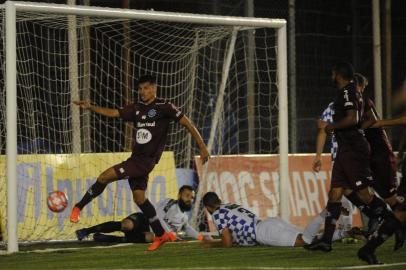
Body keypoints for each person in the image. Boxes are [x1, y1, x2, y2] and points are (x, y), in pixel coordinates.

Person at [70, 75, 209, 251]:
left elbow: (188, 124)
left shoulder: (164, 107)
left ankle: (78, 206)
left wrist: (202, 148)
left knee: (104, 177)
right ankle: (161, 235)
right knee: (139, 197)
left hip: (146, 161)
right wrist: (91, 108)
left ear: (154, 88)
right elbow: (114, 113)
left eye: (146, 88)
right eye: (140, 88)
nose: (142, 91)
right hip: (136, 159)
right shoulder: (136, 108)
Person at [304, 62, 394, 252]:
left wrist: (332, 127)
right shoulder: (351, 96)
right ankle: (326, 241)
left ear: (338, 75)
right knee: (336, 193)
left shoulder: (348, 93)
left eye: (333, 73)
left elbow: (350, 121)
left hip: (352, 150)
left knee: (363, 194)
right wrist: (319, 154)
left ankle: (392, 222)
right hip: (345, 151)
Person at [75, 185, 203, 243]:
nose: (189, 199)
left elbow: (187, 228)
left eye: (192, 198)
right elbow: (156, 217)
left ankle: (111, 239)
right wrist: (169, 233)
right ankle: (86, 231)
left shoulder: (184, 217)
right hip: (145, 221)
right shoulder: (169, 203)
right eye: (187, 196)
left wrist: (200, 237)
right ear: (180, 195)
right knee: (126, 225)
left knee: (151, 237)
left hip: (152, 234)